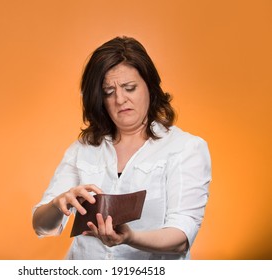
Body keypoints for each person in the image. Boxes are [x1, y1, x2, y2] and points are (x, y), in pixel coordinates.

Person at [32, 36, 211, 260]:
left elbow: (181, 238)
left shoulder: (185, 148)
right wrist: (58, 205)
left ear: (150, 87)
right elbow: (41, 226)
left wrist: (130, 237)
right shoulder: (83, 148)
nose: (120, 99)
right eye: (109, 92)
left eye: (130, 88)